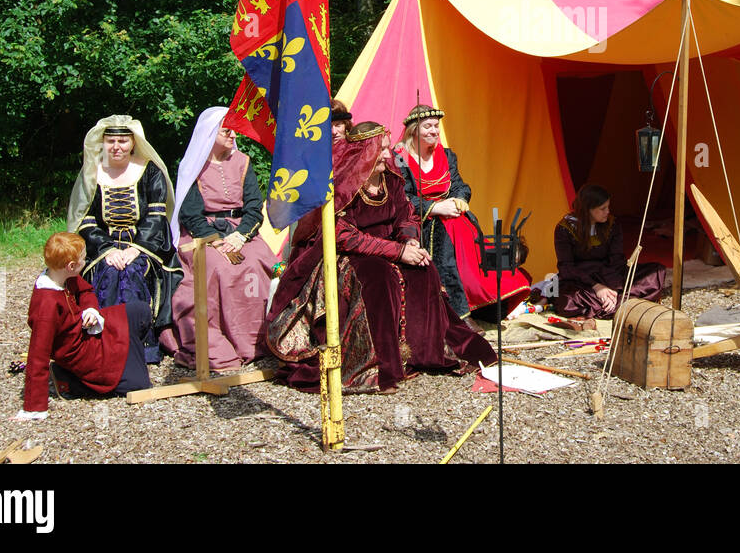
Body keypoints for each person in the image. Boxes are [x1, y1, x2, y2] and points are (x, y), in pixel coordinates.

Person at [267, 121, 496, 393]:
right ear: (365, 152)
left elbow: (406, 215)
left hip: (392, 247)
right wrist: (398, 251)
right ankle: (380, 367)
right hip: (350, 255)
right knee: (379, 277)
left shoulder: (391, 180)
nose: (389, 156)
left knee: (424, 269)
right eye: (382, 150)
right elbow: (343, 235)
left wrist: (410, 240)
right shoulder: (343, 186)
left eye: (388, 149)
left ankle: (423, 353)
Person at [160, 107, 274, 371]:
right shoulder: (193, 166)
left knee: (258, 263)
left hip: (239, 232)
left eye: (234, 129)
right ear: (210, 133)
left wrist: (240, 236)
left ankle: (258, 342)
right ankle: (228, 343)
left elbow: (254, 207)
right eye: (226, 130)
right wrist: (216, 241)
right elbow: (189, 213)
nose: (233, 135)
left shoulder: (244, 162)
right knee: (221, 268)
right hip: (202, 235)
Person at [396, 104, 530, 319]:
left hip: (455, 218)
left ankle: (485, 300)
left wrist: (459, 199)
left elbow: (459, 184)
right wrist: (435, 208)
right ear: (414, 130)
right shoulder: (399, 158)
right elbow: (401, 197)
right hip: (419, 222)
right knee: (447, 250)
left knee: (467, 243)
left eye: (436, 126)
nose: (434, 131)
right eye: (428, 126)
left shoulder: (447, 155)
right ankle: (457, 313)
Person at [67, 115, 181, 363]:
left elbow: (156, 216)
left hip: (145, 245)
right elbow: (86, 220)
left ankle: (140, 347)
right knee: (108, 273)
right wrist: (108, 250)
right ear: (102, 143)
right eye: (110, 141)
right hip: (102, 246)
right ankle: (102, 343)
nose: (116, 146)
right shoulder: (92, 173)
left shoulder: (149, 171)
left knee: (131, 272)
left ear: (133, 143)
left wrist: (136, 249)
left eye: (122, 141)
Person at [16, 231, 152, 419]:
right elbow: (37, 355)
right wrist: (34, 407)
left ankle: (126, 357)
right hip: (83, 356)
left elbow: (86, 291)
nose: (86, 261)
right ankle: (71, 381)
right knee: (139, 385)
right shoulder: (46, 305)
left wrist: (91, 310)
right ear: (71, 266)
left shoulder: (66, 276)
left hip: (90, 332)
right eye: (83, 259)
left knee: (141, 312)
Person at [553, 184, 666, 319]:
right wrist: (597, 287)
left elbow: (617, 259)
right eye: (603, 208)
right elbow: (566, 267)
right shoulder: (564, 229)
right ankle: (622, 304)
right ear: (588, 209)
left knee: (657, 271)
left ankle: (611, 301)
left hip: (610, 274)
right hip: (582, 279)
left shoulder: (612, 225)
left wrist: (613, 288)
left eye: (608, 207)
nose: (608, 211)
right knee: (567, 301)